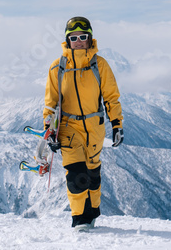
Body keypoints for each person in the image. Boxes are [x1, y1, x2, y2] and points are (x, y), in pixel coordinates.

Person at [43, 16, 124, 231]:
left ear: (90, 39)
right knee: (76, 175)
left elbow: (111, 97)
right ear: (67, 41)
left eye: (83, 37)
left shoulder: (100, 65)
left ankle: (91, 213)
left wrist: (117, 124)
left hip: (94, 129)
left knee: (92, 175)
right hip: (69, 130)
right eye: (74, 37)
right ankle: (79, 220)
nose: (78, 41)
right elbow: (51, 104)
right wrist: (49, 130)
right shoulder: (57, 68)